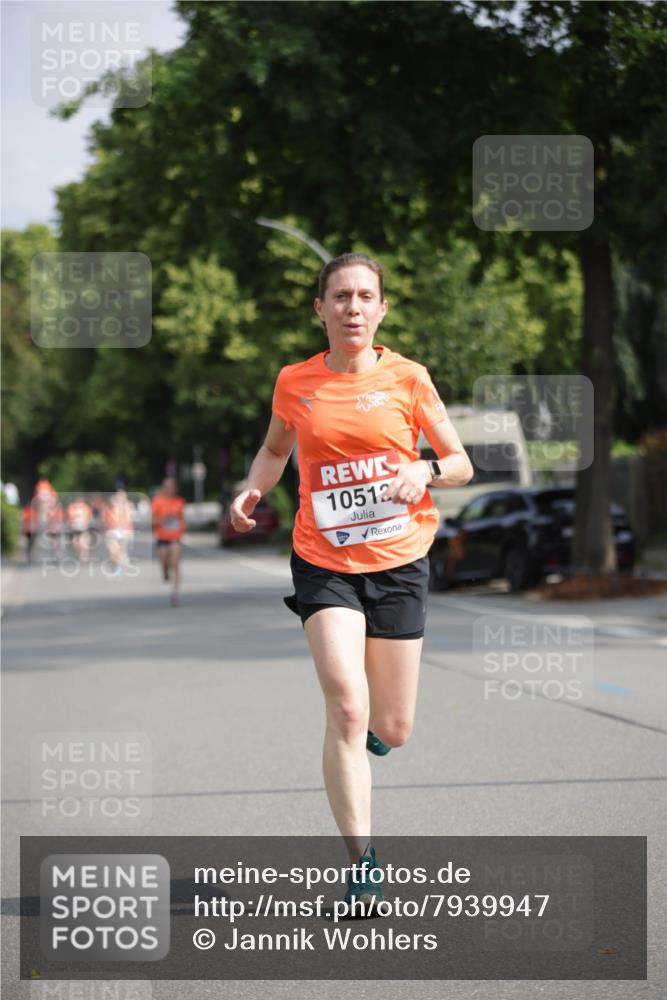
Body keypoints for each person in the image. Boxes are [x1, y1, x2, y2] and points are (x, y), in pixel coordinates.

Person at [230, 252, 473, 909]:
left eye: (366, 296)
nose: (354, 307)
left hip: (398, 561)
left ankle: (370, 741)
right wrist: (252, 489)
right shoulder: (294, 382)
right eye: (340, 296)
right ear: (320, 309)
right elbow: (276, 449)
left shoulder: (409, 379)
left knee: (392, 727)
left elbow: (459, 462)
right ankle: (362, 862)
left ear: (382, 308)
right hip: (323, 561)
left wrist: (423, 470)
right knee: (346, 704)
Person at [151, 477, 186, 606]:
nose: (169, 490)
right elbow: (152, 521)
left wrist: (182, 528)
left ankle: (174, 592)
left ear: (175, 489)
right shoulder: (157, 501)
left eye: (172, 487)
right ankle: (165, 572)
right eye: (167, 487)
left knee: (175, 564)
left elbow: (182, 519)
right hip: (162, 538)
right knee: (165, 562)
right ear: (163, 488)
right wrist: (163, 520)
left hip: (175, 537)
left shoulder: (179, 502)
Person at [104, 488, 135, 576]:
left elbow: (129, 518)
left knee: (121, 551)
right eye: (118, 496)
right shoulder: (112, 505)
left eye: (122, 496)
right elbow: (107, 517)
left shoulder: (129, 506)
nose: (120, 498)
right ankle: (120, 563)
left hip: (125, 531)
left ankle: (120, 566)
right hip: (113, 530)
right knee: (112, 552)